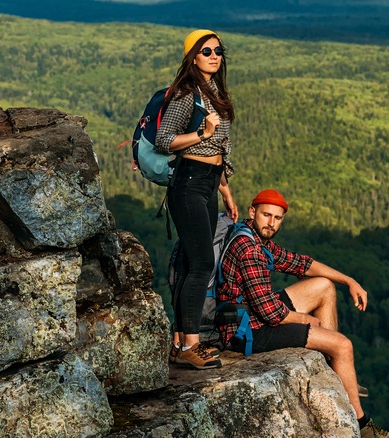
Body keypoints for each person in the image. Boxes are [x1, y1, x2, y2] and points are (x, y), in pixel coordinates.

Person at [217, 189, 389, 438]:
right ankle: (361, 423)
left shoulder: (255, 237)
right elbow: (272, 314)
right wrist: (307, 321)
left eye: (277, 218)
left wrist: (349, 281)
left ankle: (333, 370)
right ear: (252, 212)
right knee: (343, 346)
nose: (271, 223)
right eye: (266, 215)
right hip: (246, 331)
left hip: (251, 313)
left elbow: (301, 263)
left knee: (324, 286)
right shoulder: (249, 249)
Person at [156, 29, 238, 370]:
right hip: (189, 183)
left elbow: (217, 149)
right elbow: (163, 140)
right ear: (193, 57)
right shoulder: (187, 93)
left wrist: (226, 190)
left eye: (219, 50)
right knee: (202, 262)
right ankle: (189, 344)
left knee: (195, 263)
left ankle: (183, 342)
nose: (214, 56)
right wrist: (200, 133)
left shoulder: (215, 91)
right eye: (206, 51)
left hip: (207, 183)